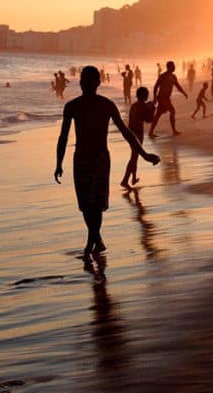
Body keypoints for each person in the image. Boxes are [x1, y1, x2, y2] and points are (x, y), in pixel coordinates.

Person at [55, 66, 160, 255]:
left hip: (100, 158)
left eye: (89, 81)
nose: (86, 84)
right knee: (86, 204)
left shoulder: (105, 105)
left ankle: (92, 240)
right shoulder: (72, 106)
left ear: (97, 83)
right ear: (81, 83)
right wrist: (58, 163)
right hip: (81, 159)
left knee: (96, 203)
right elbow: (63, 137)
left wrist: (144, 155)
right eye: (84, 81)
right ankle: (96, 238)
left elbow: (126, 133)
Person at [121, 87, 155, 188]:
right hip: (137, 134)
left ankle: (133, 177)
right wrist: (152, 109)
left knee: (135, 156)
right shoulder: (143, 106)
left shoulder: (134, 105)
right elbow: (149, 120)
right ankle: (125, 180)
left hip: (130, 132)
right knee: (134, 157)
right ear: (144, 96)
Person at [148, 61, 189, 137]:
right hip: (161, 97)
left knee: (158, 115)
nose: (174, 67)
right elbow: (156, 86)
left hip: (167, 98)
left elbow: (177, 86)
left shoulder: (173, 76)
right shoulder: (163, 76)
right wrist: (154, 98)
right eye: (173, 66)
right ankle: (174, 131)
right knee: (172, 111)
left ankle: (151, 132)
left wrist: (184, 93)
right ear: (169, 67)